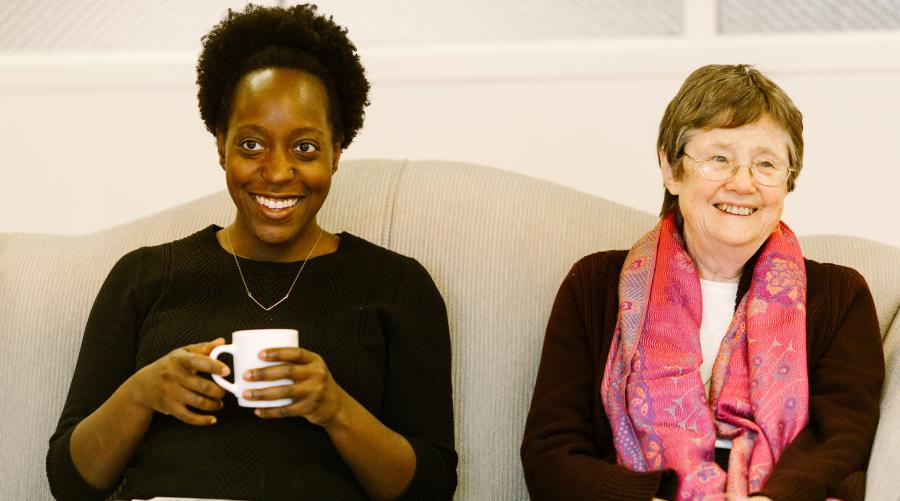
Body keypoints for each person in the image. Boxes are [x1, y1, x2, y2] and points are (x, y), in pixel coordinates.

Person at [46, 5, 456, 501]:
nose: (278, 172)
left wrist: (334, 408)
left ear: (336, 152)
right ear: (221, 146)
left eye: (305, 147)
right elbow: (69, 485)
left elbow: (431, 490)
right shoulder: (144, 276)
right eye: (251, 145)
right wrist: (143, 392)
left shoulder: (397, 288)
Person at [521, 64, 884, 501]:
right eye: (719, 159)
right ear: (671, 170)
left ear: (788, 181)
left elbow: (842, 439)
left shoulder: (839, 296)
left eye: (766, 164)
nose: (742, 183)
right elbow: (550, 453)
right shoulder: (596, 285)